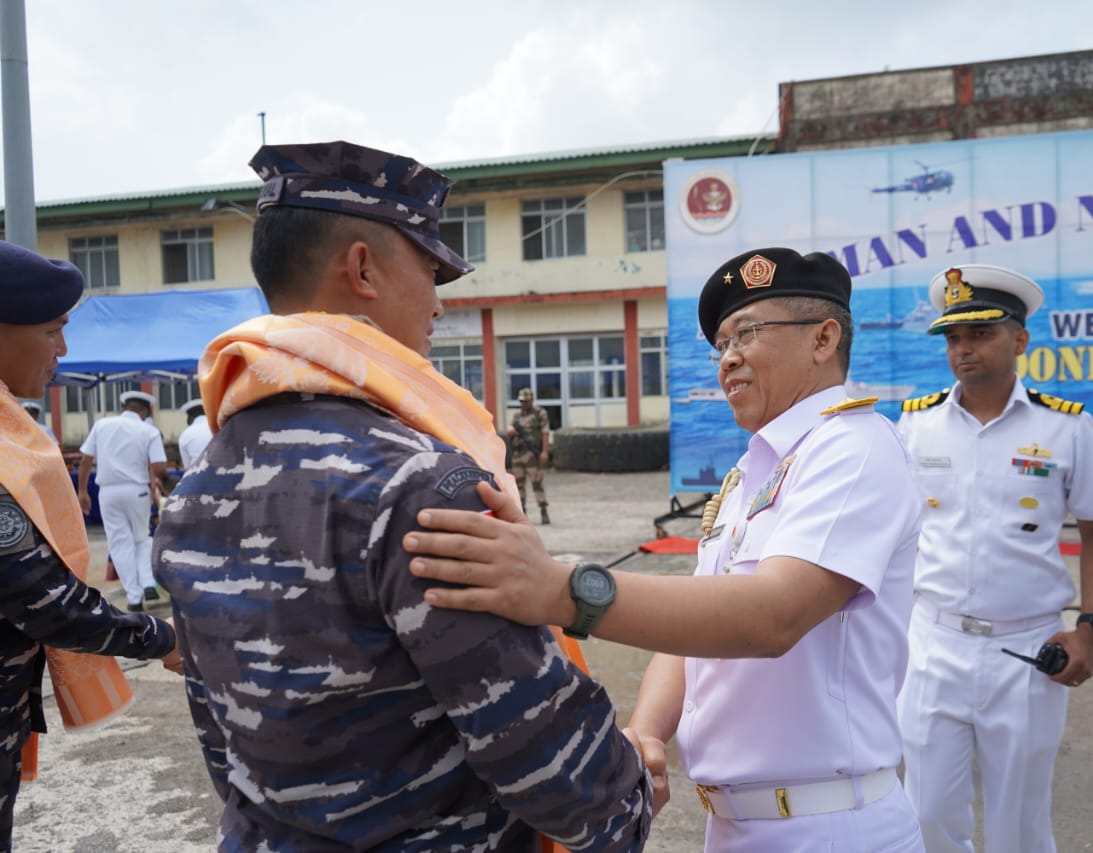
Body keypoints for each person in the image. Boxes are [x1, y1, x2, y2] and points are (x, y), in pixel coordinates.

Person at [152, 140, 653, 852]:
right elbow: (536, 746)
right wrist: (628, 800)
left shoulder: (193, 488)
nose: (439, 306)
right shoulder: (418, 483)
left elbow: (220, 735)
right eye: (430, 270)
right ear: (362, 268)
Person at [403, 247, 927, 852]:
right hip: (736, 825)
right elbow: (695, 631)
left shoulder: (853, 449)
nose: (728, 358)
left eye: (747, 333)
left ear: (823, 338)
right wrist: (648, 731)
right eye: (721, 344)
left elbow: (774, 615)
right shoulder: (754, 471)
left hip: (830, 827)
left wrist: (565, 590)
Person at [894, 264, 1093, 853]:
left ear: (1020, 339)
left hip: (1024, 651)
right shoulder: (915, 426)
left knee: (1018, 822)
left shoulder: (1065, 428)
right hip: (932, 644)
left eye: (980, 334)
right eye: (952, 337)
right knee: (927, 814)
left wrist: (1091, 627)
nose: (963, 349)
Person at [0, 240, 181, 846]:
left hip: (109, 496)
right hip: (132, 498)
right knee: (132, 553)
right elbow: (42, 598)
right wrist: (160, 638)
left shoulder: (31, 427)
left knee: (127, 553)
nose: (64, 350)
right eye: (52, 331)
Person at [77, 390, 166, 612]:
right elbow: (159, 468)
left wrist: (82, 491)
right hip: (138, 491)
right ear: (144, 411)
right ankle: (147, 583)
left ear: (123, 406)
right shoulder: (149, 430)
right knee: (142, 538)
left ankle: (134, 597)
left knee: (120, 543)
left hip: (108, 492)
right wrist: (156, 490)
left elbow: (86, 459)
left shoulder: (102, 425)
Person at [508, 386, 551, 524]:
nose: (523, 404)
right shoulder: (517, 416)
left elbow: (545, 432)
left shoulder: (540, 413)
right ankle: (522, 513)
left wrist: (544, 451)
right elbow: (510, 429)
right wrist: (511, 431)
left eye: (526, 401)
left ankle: (543, 510)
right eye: (521, 402)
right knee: (518, 485)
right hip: (517, 454)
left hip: (531, 454)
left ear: (531, 400)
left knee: (537, 483)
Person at [176, 398, 211, 469]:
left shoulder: (185, 435)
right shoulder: (219, 428)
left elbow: (187, 467)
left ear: (190, 417)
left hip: (196, 476)